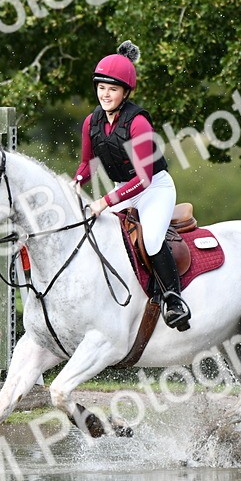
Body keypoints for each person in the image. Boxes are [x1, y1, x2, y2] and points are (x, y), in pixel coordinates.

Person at [73, 40, 191, 331]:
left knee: (150, 240)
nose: (105, 94)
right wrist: (74, 184)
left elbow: (143, 179)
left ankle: (174, 300)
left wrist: (104, 201)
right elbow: (88, 164)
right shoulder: (91, 122)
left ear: (125, 92)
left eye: (112, 89)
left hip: (154, 190)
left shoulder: (138, 123)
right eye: (101, 87)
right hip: (123, 188)